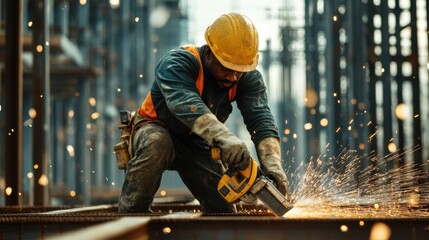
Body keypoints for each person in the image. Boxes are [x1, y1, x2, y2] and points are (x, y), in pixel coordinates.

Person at [118, 12, 289, 213]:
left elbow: (261, 120)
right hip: (153, 128)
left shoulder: (246, 78)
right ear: (208, 54)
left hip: (197, 141)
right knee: (157, 143)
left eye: (239, 70)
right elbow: (184, 104)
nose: (233, 77)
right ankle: (130, 214)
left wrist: (272, 163)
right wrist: (225, 137)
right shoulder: (178, 62)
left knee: (223, 210)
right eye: (227, 68)